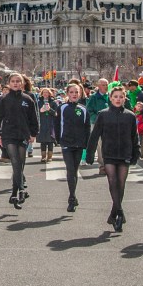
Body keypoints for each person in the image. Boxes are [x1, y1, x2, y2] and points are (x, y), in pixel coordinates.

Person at [85, 85, 139, 232]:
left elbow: (134, 137)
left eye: (121, 97)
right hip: (109, 153)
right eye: (115, 96)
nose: (118, 99)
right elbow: (94, 135)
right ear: (110, 98)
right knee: (112, 181)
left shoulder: (130, 115)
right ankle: (120, 212)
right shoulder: (103, 114)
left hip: (125, 153)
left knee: (121, 184)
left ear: (124, 98)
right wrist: (90, 154)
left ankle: (114, 212)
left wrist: (136, 153)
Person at [0, 73, 39, 209]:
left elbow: (33, 119)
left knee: (20, 164)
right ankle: (21, 190)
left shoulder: (28, 99)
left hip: (23, 135)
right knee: (15, 161)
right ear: (9, 83)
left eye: (18, 81)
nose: (16, 83)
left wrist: (33, 133)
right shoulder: (3, 99)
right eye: (13, 81)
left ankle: (14, 193)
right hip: (8, 135)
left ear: (22, 83)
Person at [56, 83, 91, 212]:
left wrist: (86, 143)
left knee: (75, 170)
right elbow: (57, 125)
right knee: (70, 170)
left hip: (79, 144)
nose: (74, 94)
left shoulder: (83, 109)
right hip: (66, 143)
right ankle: (71, 198)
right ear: (67, 94)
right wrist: (59, 140)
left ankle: (73, 195)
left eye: (76, 92)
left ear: (80, 93)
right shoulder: (62, 108)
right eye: (71, 92)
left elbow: (87, 128)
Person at [86, 78, 110, 164]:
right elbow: (89, 110)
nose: (105, 87)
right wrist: (96, 118)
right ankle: (102, 164)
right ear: (99, 86)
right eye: (103, 85)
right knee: (100, 144)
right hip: (97, 124)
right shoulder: (94, 97)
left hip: (110, 124)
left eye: (106, 84)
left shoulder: (111, 96)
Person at [37, 88, 59, 162]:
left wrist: (50, 109)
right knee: (43, 141)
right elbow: (35, 113)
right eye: (44, 92)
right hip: (42, 124)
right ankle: (43, 156)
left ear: (49, 94)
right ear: (42, 94)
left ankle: (49, 157)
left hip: (51, 124)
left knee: (50, 141)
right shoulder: (39, 102)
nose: (45, 94)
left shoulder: (53, 102)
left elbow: (56, 114)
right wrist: (41, 110)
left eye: (47, 92)